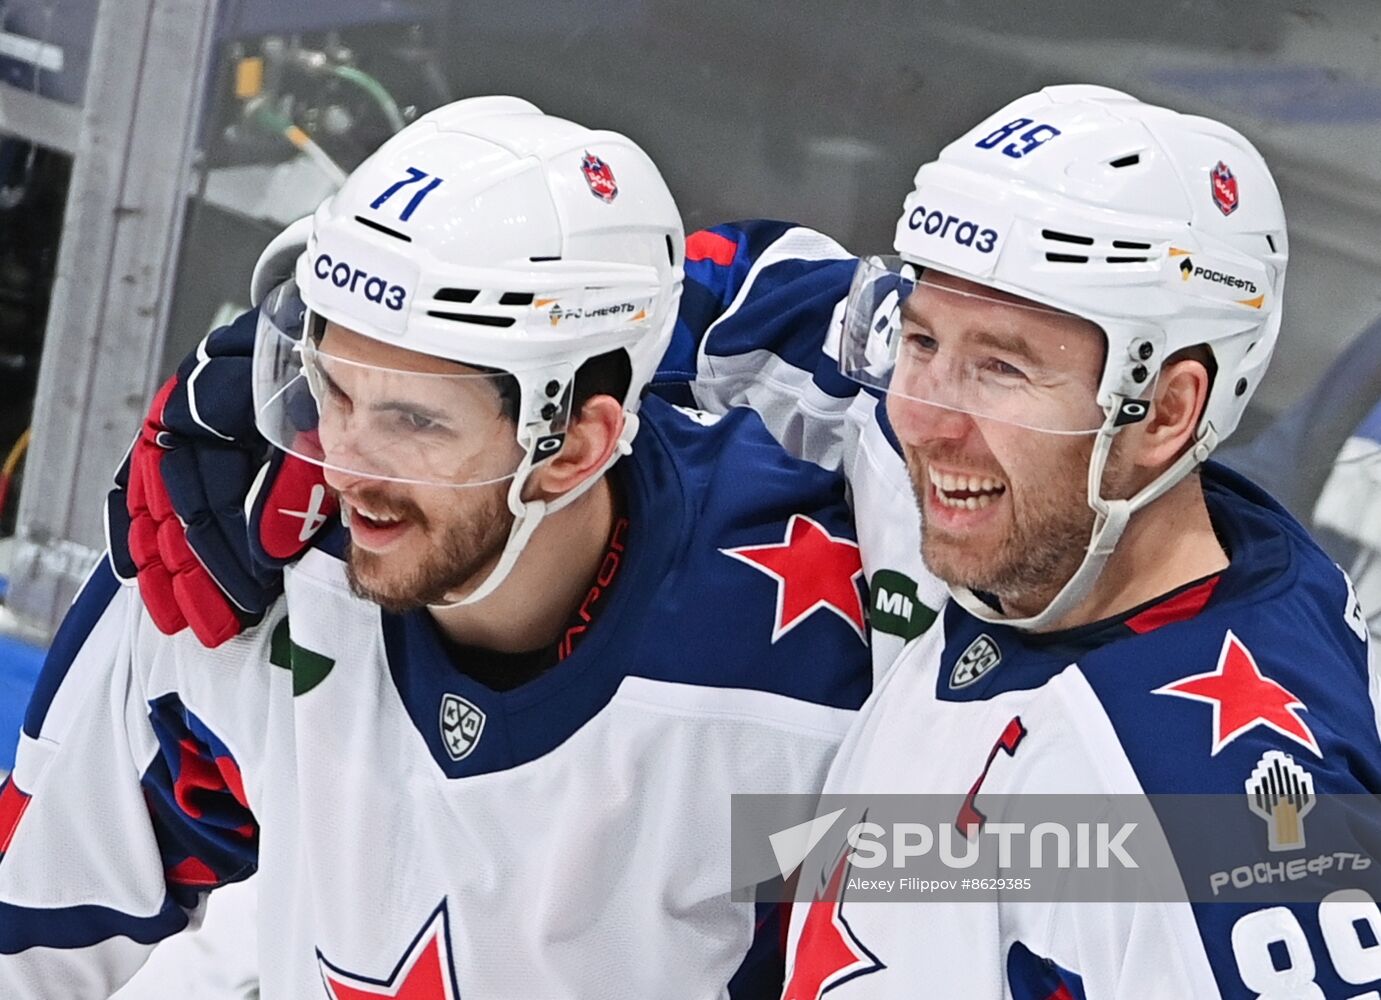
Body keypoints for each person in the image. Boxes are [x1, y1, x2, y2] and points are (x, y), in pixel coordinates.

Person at [107, 86, 1381, 996]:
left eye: (1001, 369)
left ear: (1164, 411)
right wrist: (323, 380)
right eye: (922, 338)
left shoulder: (1222, 819)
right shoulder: (1014, 523)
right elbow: (694, 290)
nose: (922, 417)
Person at [0, 97, 875, 998]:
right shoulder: (248, 566)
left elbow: (993, 900)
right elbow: (26, 927)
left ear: (571, 446)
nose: (341, 466)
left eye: (412, 420)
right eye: (330, 390)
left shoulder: (780, 682)